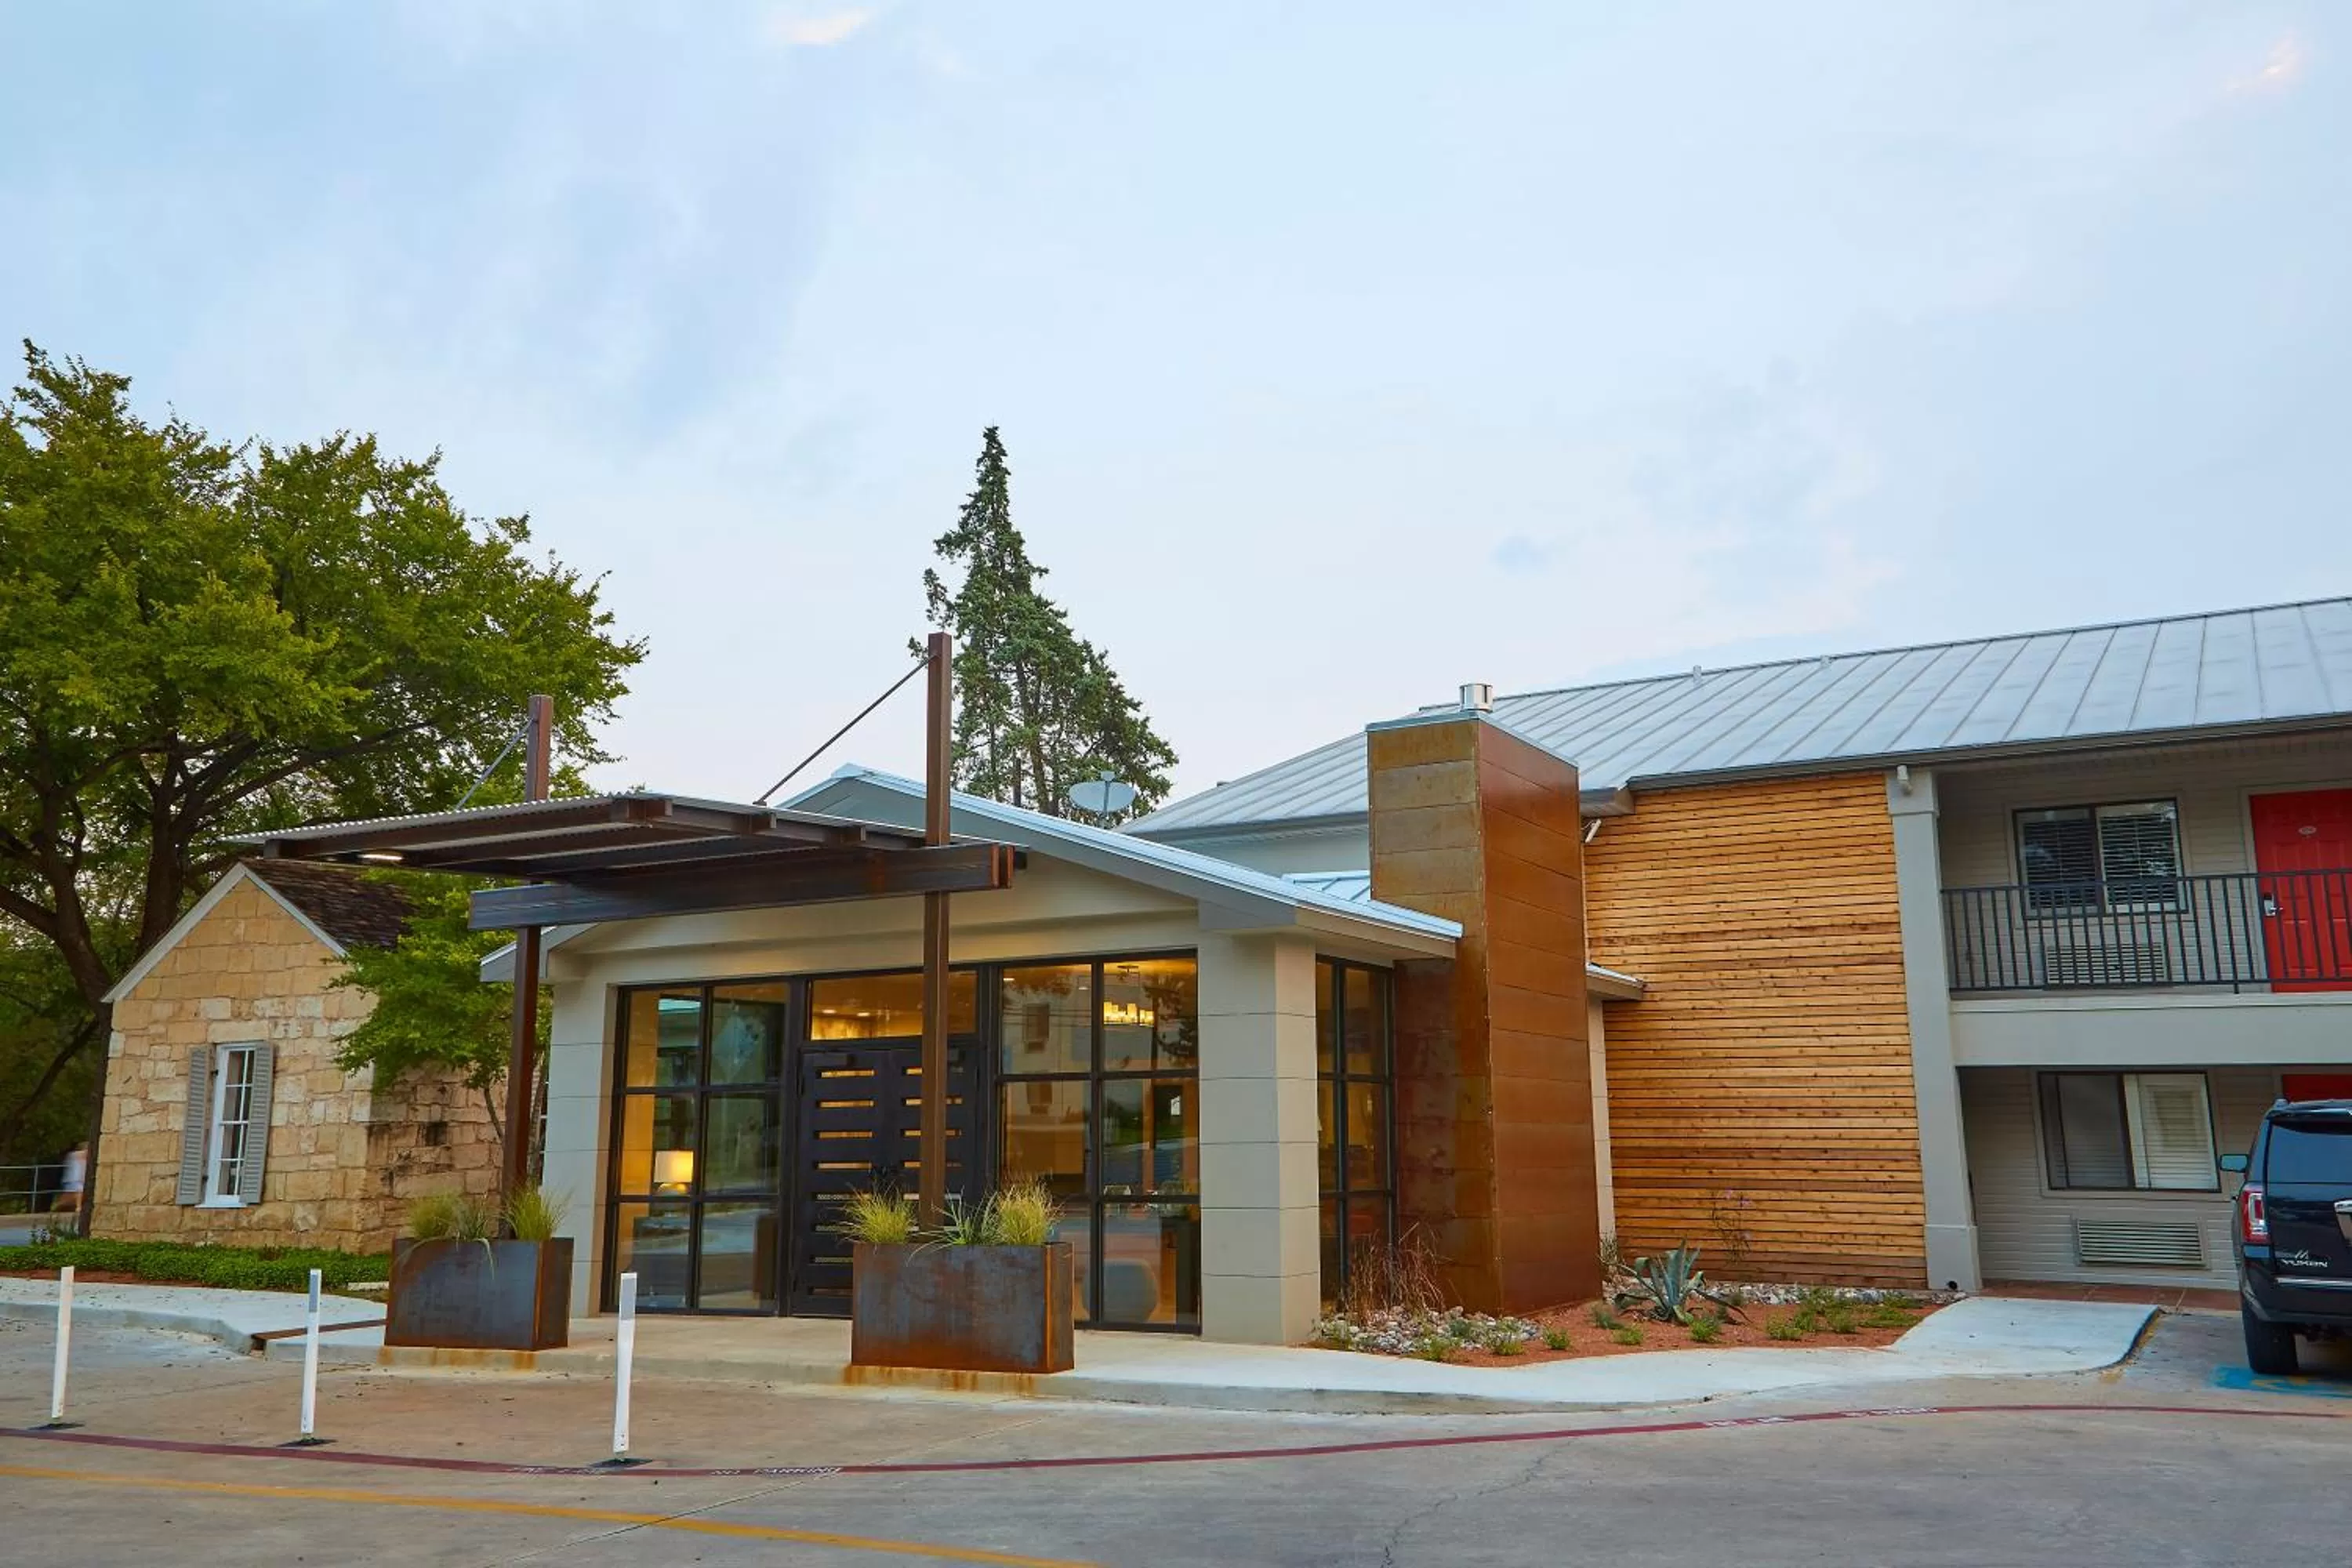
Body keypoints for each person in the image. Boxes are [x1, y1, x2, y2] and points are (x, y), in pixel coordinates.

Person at [53, 1143, 86, 1214]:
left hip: (72, 1177)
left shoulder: (72, 1156)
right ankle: (78, 1207)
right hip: (75, 1177)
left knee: (72, 1194)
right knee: (78, 1192)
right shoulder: (78, 1156)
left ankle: (59, 1206)